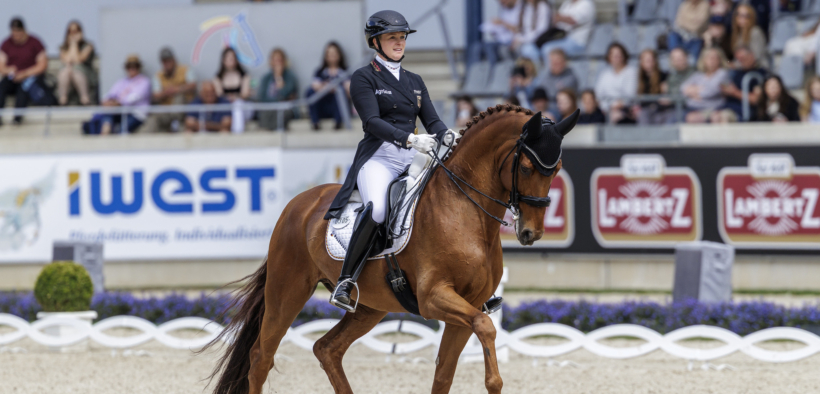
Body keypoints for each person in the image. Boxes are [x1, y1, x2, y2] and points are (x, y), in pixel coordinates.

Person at [324, 10, 500, 314]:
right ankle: (347, 279)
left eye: (402, 37)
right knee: (378, 209)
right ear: (376, 41)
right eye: (392, 37)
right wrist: (409, 138)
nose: (399, 42)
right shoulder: (364, 78)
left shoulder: (415, 81)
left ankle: (469, 285)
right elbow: (372, 122)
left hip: (411, 156)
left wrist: (450, 136)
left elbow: (433, 121)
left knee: (445, 199)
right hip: (379, 157)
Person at [0, 17, 50, 126]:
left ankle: (17, 119)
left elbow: (43, 64)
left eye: (18, 33)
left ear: (24, 31)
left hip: (29, 78)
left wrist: (25, 73)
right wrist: (9, 70)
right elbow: (1, 65)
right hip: (12, 77)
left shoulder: (35, 42)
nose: (16, 36)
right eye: (14, 33)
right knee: (2, 87)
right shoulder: (6, 43)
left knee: (23, 88)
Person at [83, 55, 150, 134]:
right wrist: (107, 102)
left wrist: (117, 103)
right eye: (129, 67)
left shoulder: (144, 81)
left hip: (135, 114)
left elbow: (133, 98)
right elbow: (110, 94)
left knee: (121, 130)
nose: (132, 69)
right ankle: (104, 135)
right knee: (107, 115)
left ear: (139, 67)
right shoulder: (122, 81)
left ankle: (107, 136)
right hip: (120, 112)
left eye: (134, 66)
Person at [711, 46, 766, 123]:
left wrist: (734, 92)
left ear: (751, 56)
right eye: (738, 59)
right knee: (712, 115)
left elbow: (756, 99)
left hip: (745, 111)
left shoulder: (759, 75)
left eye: (743, 58)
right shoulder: (736, 73)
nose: (740, 62)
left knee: (723, 117)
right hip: (728, 107)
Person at [150, 47, 196, 132]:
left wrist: (177, 89)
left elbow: (193, 85)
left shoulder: (185, 69)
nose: (167, 63)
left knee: (179, 97)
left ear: (174, 59)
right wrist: (165, 93)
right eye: (164, 61)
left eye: (168, 60)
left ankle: (176, 123)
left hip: (184, 109)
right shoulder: (158, 76)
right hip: (166, 110)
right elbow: (156, 95)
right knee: (154, 118)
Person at [306, 41, 350, 130]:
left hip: (337, 106)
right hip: (323, 104)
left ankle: (338, 123)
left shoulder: (345, 71)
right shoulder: (320, 71)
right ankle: (315, 122)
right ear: (325, 56)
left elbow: (349, 89)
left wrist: (330, 87)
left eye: (334, 53)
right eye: (329, 53)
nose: (332, 55)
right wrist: (330, 87)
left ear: (339, 54)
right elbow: (314, 86)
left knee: (340, 92)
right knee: (310, 92)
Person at [680, 48, 730, 123]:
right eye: (709, 58)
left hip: (714, 109)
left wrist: (693, 92)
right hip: (692, 108)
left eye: (714, 58)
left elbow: (711, 91)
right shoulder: (698, 75)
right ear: (703, 60)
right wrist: (697, 90)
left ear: (720, 60)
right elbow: (682, 88)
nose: (712, 61)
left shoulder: (722, 73)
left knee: (692, 118)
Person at [538, 0, 595, 66]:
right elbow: (557, 20)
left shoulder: (586, 3)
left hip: (577, 42)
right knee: (537, 47)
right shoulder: (567, 3)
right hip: (563, 38)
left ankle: (552, 74)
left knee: (547, 49)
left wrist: (559, 18)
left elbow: (574, 20)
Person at [594, 43, 637, 123]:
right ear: (609, 57)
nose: (616, 58)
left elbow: (630, 95)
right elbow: (598, 94)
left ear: (624, 56)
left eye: (619, 55)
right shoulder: (604, 74)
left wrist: (615, 106)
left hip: (625, 109)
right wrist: (605, 107)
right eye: (614, 55)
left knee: (616, 116)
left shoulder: (631, 72)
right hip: (606, 109)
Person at [257, 48, 299, 131]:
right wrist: (277, 101)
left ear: (284, 62)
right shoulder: (266, 78)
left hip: (285, 109)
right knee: (264, 114)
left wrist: (279, 78)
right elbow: (262, 97)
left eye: (279, 60)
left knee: (283, 113)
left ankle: (273, 130)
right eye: (275, 60)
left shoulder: (290, 77)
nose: (277, 63)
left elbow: (285, 94)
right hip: (269, 108)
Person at [472, 0, 522, 66]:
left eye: (504, 2)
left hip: (515, 40)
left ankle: (494, 71)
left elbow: (520, 29)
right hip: (502, 40)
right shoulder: (504, 9)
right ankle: (475, 72)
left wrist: (503, 23)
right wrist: (494, 30)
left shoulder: (522, 7)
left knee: (498, 49)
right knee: (477, 47)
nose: (503, 4)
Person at [57, 20, 94, 106]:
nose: (73, 34)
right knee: (66, 71)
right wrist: (72, 44)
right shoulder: (63, 47)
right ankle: (63, 99)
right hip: (69, 74)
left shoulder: (88, 45)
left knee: (75, 70)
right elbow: (67, 60)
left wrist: (74, 44)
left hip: (85, 74)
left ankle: (84, 98)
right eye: (71, 31)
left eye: (75, 31)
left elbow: (78, 60)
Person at [635, 49, 672, 125]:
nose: (649, 63)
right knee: (642, 115)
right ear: (641, 63)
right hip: (645, 109)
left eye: (651, 60)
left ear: (655, 61)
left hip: (659, 109)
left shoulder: (663, 76)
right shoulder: (639, 78)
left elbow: (664, 95)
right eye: (646, 60)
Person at [730, 4, 768, 69]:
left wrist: (736, 65)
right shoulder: (737, 34)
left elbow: (756, 56)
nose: (742, 18)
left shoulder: (755, 31)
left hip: (757, 68)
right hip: (741, 68)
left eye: (746, 16)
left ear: (751, 17)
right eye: (739, 15)